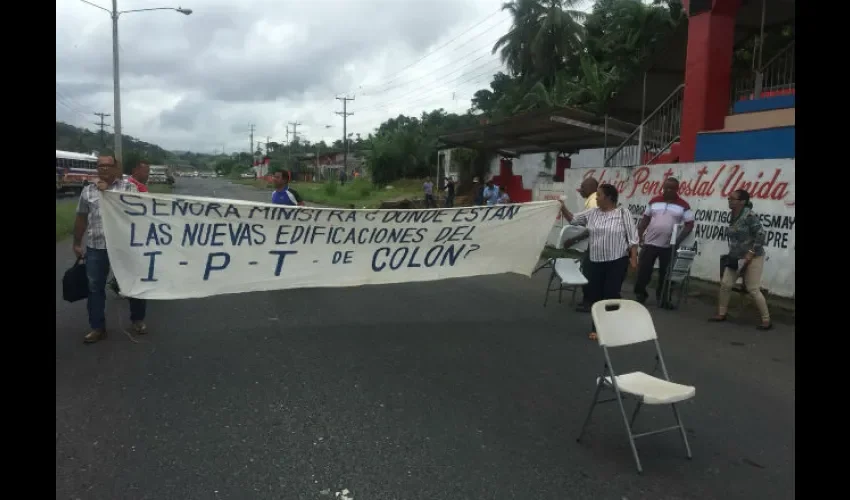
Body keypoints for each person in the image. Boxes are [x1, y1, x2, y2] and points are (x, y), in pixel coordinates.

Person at [73, 154, 146, 344]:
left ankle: (137, 320)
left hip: (125, 246)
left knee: (132, 283)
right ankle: (97, 327)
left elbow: (141, 211)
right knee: (95, 287)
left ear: (116, 168)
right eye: (100, 166)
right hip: (97, 246)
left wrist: (110, 194)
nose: (104, 169)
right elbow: (81, 217)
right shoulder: (88, 191)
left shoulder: (129, 188)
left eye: (108, 165)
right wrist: (76, 242)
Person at [561, 184, 639, 340]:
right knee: (593, 294)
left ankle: (602, 328)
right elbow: (574, 220)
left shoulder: (623, 213)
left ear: (609, 197)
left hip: (616, 261)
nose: (596, 198)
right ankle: (599, 324)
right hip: (594, 260)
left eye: (599, 195)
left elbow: (633, 238)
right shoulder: (592, 213)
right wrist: (562, 207)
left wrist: (634, 259)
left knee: (610, 294)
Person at [709, 189, 772, 330]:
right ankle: (721, 313)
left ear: (742, 201)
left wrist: (750, 252)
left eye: (732, 198)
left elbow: (761, 235)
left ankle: (766, 320)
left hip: (753, 256)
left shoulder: (749, 215)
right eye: (729, 198)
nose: (729, 200)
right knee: (726, 284)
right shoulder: (732, 215)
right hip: (736, 257)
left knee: (753, 288)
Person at [634, 177, 694, 307]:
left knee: (665, 273)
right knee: (644, 270)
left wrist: (677, 241)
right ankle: (640, 295)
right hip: (650, 242)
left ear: (677, 189)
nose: (668, 190)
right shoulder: (654, 201)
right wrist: (640, 233)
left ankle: (663, 298)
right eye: (666, 187)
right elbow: (646, 218)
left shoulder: (683, 205)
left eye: (672, 188)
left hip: (668, 245)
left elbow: (689, 225)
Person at [558, 176, 599, 312]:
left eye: (583, 187)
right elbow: (577, 221)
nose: (580, 190)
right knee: (592, 272)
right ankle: (594, 300)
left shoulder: (593, 201)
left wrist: (573, 240)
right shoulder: (592, 200)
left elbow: (591, 228)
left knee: (589, 273)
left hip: (597, 245)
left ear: (592, 188)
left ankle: (589, 302)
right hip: (597, 244)